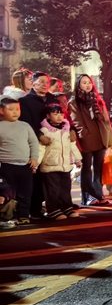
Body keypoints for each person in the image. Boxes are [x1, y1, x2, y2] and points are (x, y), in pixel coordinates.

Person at [69, 74, 112, 207]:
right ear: (78, 85)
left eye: (89, 82)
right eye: (84, 83)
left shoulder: (98, 100)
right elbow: (76, 121)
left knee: (99, 169)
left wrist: (110, 138)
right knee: (86, 169)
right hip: (87, 139)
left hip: (100, 137)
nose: (87, 85)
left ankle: (98, 194)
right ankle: (87, 196)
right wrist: (85, 134)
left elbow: (106, 121)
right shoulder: (74, 102)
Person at [18, 72, 55, 219]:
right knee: (37, 178)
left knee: (54, 176)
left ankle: (55, 206)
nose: (45, 84)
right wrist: (40, 136)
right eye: (41, 82)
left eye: (47, 82)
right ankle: (35, 210)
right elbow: (26, 122)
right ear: (32, 83)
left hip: (54, 143)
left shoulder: (53, 99)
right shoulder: (25, 101)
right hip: (36, 143)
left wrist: (70, 129)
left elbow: (62, 116)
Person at [36, 102, 81, 219]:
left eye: (61, 114)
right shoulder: (45, 131)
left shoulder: (66, 129)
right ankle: (53, 210)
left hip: (65, 165)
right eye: (56, 114)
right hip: (50, 166)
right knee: (53, 190)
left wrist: (77, 159)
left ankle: (66, 208)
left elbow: (72, 145)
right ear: (48, 116)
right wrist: (36, 163)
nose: (59, 116)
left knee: (65, 189)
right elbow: (40, 149)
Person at [0, 96, 39, 224]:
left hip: (25, 165)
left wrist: (34, 158)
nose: (15, 112)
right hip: (6, 165)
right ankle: (10, 215)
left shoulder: (25, 125)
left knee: (26, 192)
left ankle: (23, 215)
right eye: (11, 109)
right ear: (1, 111)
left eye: (17, 109)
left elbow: (33, 142)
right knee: (10, 193)